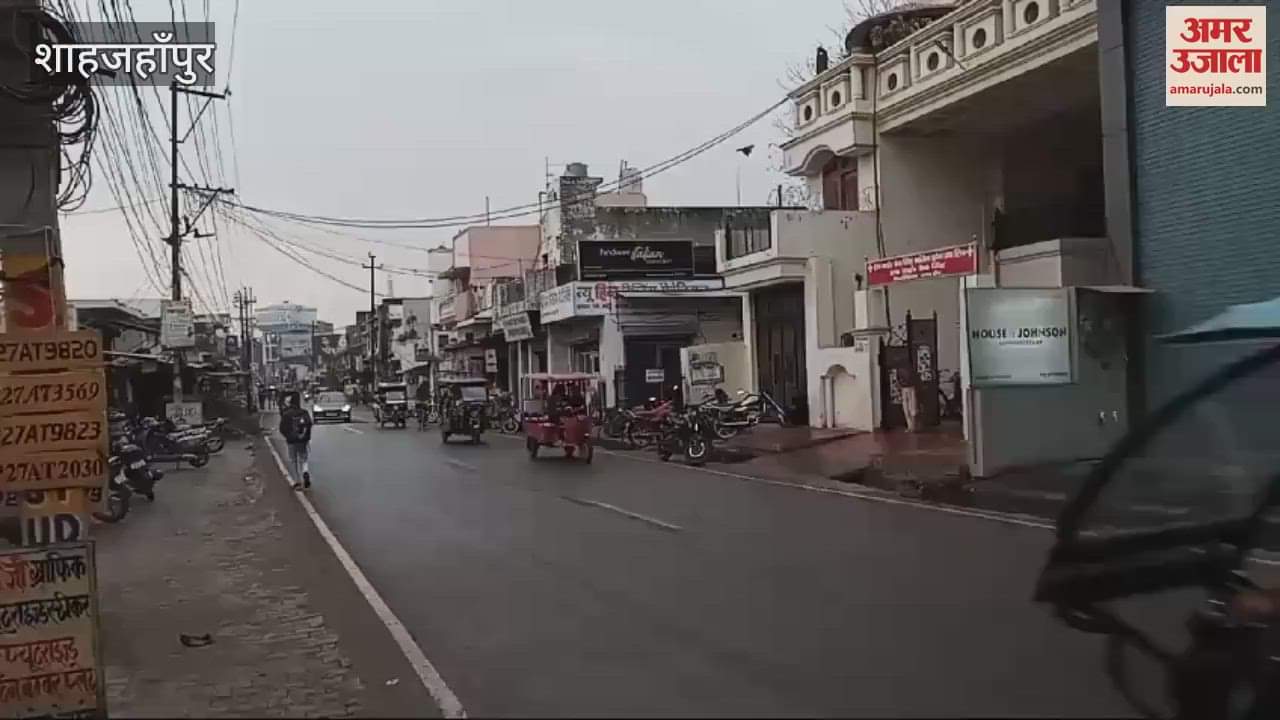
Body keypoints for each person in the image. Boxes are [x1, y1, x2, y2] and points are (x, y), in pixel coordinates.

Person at [278, 392, 314, 489]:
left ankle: (297, 481)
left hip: (291, 441)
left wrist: (288, 436)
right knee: (304, 458)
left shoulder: (286, 414)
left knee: (293, 460)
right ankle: (305, 471)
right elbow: (309, 424)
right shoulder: (304, 412)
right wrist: (305, 437)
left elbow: (282, 428)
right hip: (302, 441)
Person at [898, 366, 919, 433]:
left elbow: (898, 381)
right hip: (909, 388)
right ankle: (911, 426)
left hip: (906, 388)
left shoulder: (899, 369)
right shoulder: (911, 369)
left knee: (908, 408)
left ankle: (911, 426)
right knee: (911, 408)